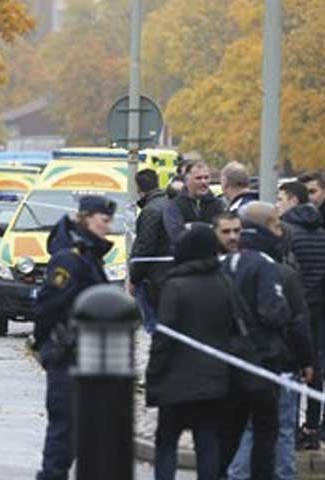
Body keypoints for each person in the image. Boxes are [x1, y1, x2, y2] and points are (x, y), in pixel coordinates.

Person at [226, 203, 313, 480]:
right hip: (277, 363)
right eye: (276, 225)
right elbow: (296, 321)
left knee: (244, 429)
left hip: (235, 363)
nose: (281, 232)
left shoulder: (225, 266)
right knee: (282, 429)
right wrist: (307, 360)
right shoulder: (279, 272)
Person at [33, 196, 115, 480]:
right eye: (104, 221)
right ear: (86, 218)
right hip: (68, 357)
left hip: (87, 357)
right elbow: (47, 306)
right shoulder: (71, 258)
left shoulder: (90, 255)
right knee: (64, 435)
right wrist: (44, 346)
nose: (108, 227)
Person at [148, 223, 236, 480]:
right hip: (214, 380)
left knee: (166, 442)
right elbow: (236, 328)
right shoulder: (225, 282)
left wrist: (153, 375)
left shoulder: (175, 286)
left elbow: (164, 339)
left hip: (175, 382)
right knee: (208, 441)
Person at [218, 206, 291, 480]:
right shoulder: (264, 264)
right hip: (261, 360)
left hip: (229, 360)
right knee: (265, 432)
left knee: (229, 433)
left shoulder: (224, 262)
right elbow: (272, 311)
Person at [277, 181, 325, 449]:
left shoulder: (287, 231)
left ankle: (288, 427)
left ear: (291, 200)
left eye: (280, 199)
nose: (277, 204)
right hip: (318, 306)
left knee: (291, 367)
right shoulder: (323, 232)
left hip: (294, 308)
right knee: (314, 369)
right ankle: (312, 426)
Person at [129, 169, 172, 333]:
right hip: (166, 278)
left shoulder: (150, 211)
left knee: (154, 328)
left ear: (139, 189)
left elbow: (144, 249)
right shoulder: (168, 204)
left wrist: (134, 278)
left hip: (153, 281)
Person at [172, 160, 225, 224]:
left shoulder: (218, 204)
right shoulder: (175, 205)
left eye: (206, 178)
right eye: (198, 178)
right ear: (187, 181)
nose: (203, 182)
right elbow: (177, 232)